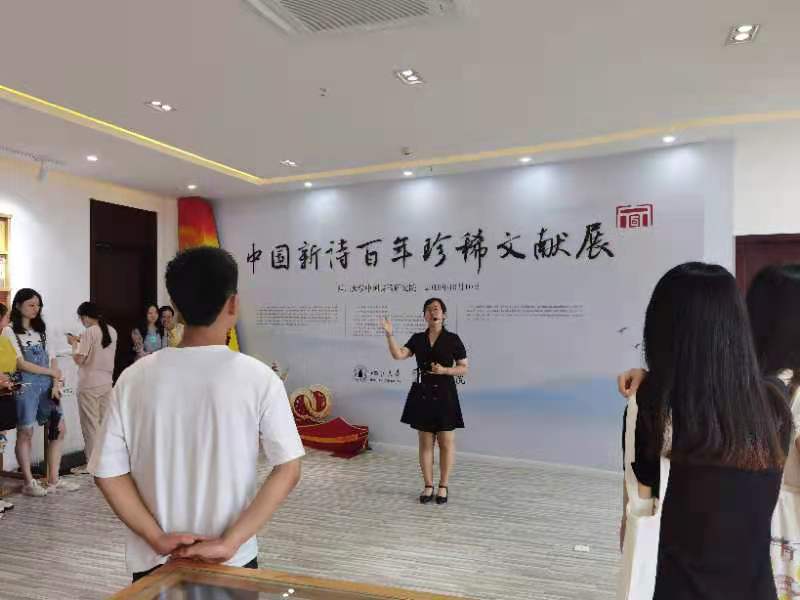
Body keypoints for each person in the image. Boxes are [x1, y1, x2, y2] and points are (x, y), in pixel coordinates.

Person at [90, 246, 304, 581]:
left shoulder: (133, 378)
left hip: (155, 560)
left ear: (173, 307)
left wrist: (156, 537)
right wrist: (230, 542)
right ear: (233, 304)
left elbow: (108, 473)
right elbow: (288, 468)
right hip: (232, 560)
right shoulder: (260, 378)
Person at [617, 262, 791, 599]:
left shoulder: (652, 410)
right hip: (754, 589)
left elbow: (639, 505)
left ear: (661, 331)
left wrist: (650, 386)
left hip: (675, 588)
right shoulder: (775, 401)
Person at [382, 298, 468, 504]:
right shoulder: (418, 338)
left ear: (444, 315)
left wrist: (445, 370)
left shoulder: (453, 339)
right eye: (429, 309)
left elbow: (464, 367)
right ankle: (428, 485)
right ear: (425, 316)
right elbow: (398, 355)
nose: (433, 312)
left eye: (436, 308)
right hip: (422, 392)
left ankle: (443, 486)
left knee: (446, 442)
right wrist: (389, 334)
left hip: (446, 393)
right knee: (425, 443)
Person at [3, 288, 79, 497]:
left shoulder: (42, 330)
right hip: (26, 387)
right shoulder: (10, 331)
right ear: (18, 306)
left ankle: (53, 479)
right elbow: (20, 363)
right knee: (25, 432)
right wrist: (51, 372)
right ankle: (29, 482)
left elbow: (52, 357)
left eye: (38, 305)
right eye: (31, 305)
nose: (36, 309)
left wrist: (55, 383)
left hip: (48, 386)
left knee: (59, 429)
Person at [67, 302, 118, 475]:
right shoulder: (111, 330)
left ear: (84, 317)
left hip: (89, 384)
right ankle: (105, 462)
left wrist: (73, 343)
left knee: (90, 427)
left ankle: (92, 465)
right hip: (107, 382)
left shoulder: (89, 332)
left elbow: (79, 359)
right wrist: (80, 341)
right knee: (104, 425)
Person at [0, 303, 18, 513]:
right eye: (6, 317)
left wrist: (10, 380)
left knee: (1, 444)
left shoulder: (5, 339)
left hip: (5, 396)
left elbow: (12, 365)